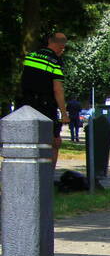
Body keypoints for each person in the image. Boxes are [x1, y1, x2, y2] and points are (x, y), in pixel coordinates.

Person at [13, 32, 69, 165]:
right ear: (61, 46)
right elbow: (58, 89)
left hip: (24, 103)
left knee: (25, 139)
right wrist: (64, 113)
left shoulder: (30, 56)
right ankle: (47, 178)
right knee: (54, 142)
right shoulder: (55, 61)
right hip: (45, 105)